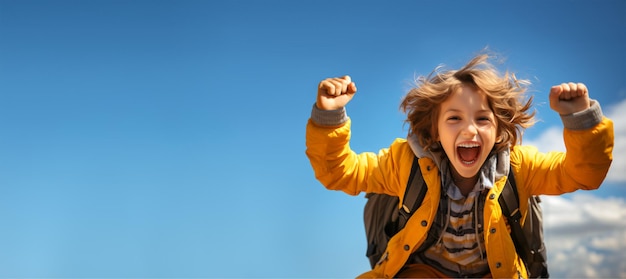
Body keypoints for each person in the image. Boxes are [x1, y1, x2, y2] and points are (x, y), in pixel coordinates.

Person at [305, 54, 614, 278]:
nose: (470, 130)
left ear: (499, 129)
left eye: (482, 119)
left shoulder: (519, 167)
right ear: (434, 130)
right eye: (454, 119)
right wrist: (329, 117)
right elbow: (340, 172)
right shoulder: (405, 163)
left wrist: (581, 121)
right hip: (424, 271)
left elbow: (582, 174)